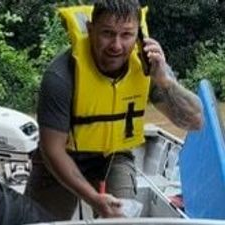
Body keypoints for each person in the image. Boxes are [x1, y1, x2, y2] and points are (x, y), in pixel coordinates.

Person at [24, 0, 203, 220]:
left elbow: (195, 122)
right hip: (63, 157)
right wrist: (93, 198)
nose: (116, 45)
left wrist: (166, 81)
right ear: (91, 30)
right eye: (107, 33)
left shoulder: (149, 69)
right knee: (36, 221)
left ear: (139, 35)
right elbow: (52, 150)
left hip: (115, 156)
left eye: (126, 35)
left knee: (122, 218)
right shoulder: (60, 76)